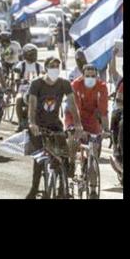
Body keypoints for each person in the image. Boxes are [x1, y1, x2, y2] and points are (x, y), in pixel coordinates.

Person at [24, 57, 81, 200]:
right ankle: (34, 188)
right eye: (51, 66)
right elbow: (31, 104)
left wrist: (78, 123)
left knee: (63, 154)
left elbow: (72, 105)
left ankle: (63, 187)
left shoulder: (64, 84)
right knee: (40, 158)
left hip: (55, 124)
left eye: (57, 66)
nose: (55, 68)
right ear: (45, 68)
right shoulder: (36, 83)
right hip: (38, 125)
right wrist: (32, 123)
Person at [67, 63, 110, 181]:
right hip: (74, 115)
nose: (90, 78)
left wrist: (106, 129)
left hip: (92, 117)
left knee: (94, 145)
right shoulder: (75, 85)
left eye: (93, 76)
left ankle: (90, 166)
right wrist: (78, 127)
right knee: (74, 139)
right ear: (82, 75)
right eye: (87, 76)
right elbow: (74, 109)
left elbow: (103, 111)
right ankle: (70, 163)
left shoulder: (102, 86)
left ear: (97, 76)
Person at [13, 44, 44, 132]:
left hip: (36, 89)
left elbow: (43, 75)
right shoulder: (21, 65)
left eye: (35, 54)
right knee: (18, 99)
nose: (34, 56)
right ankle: (20, 123)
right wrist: (18, 80)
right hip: (23, 89)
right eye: (31, 54)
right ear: (26, 55)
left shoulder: (39, 66)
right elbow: (17, 76)